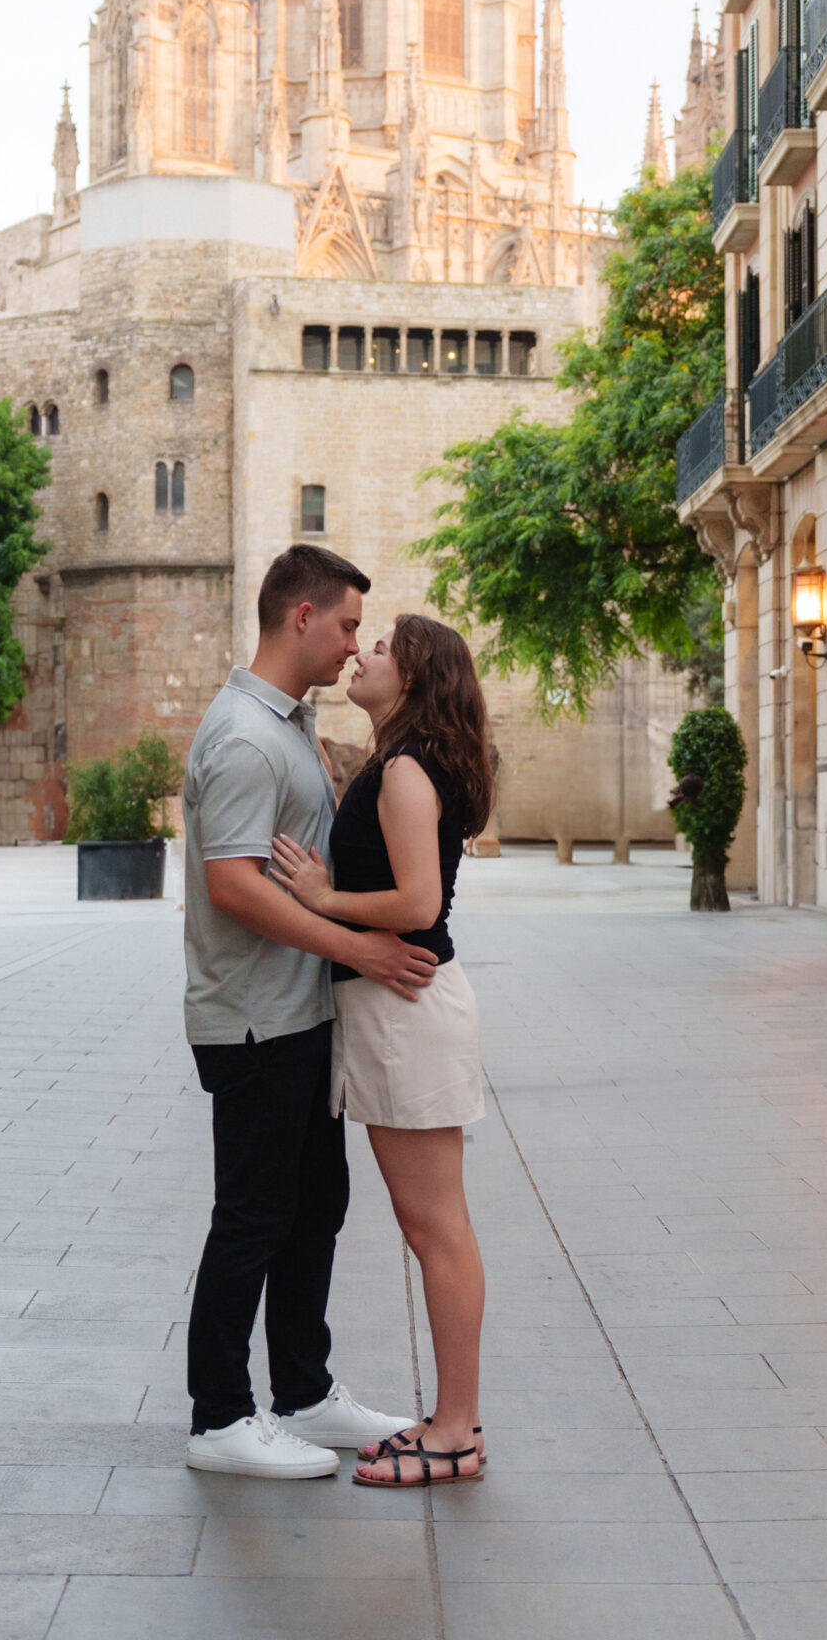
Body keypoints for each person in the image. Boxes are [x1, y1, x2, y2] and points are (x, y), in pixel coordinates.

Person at [181, 543, 429, 1480]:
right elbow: (234, 888)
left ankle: (304, 1393)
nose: (352, 644)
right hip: (252, 1020)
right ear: (300, 617)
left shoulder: (283, 723)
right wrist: (360, 947)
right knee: (251, 1215)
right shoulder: (245, 735)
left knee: (313, 1207)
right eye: (348, 626)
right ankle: (218, 1417)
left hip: (296, 1016)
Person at [271, 612, 492, 1487]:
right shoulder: (401, 761)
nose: (361, 655)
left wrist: (321, 898)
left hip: (407, 1011)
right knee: (429, 1225)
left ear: (413, 676)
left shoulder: (404, 769)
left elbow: (415, 903)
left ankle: (457, 1430)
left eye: (380, 648)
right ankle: (453, 1422)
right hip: (396, 1014)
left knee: (436, 1228)